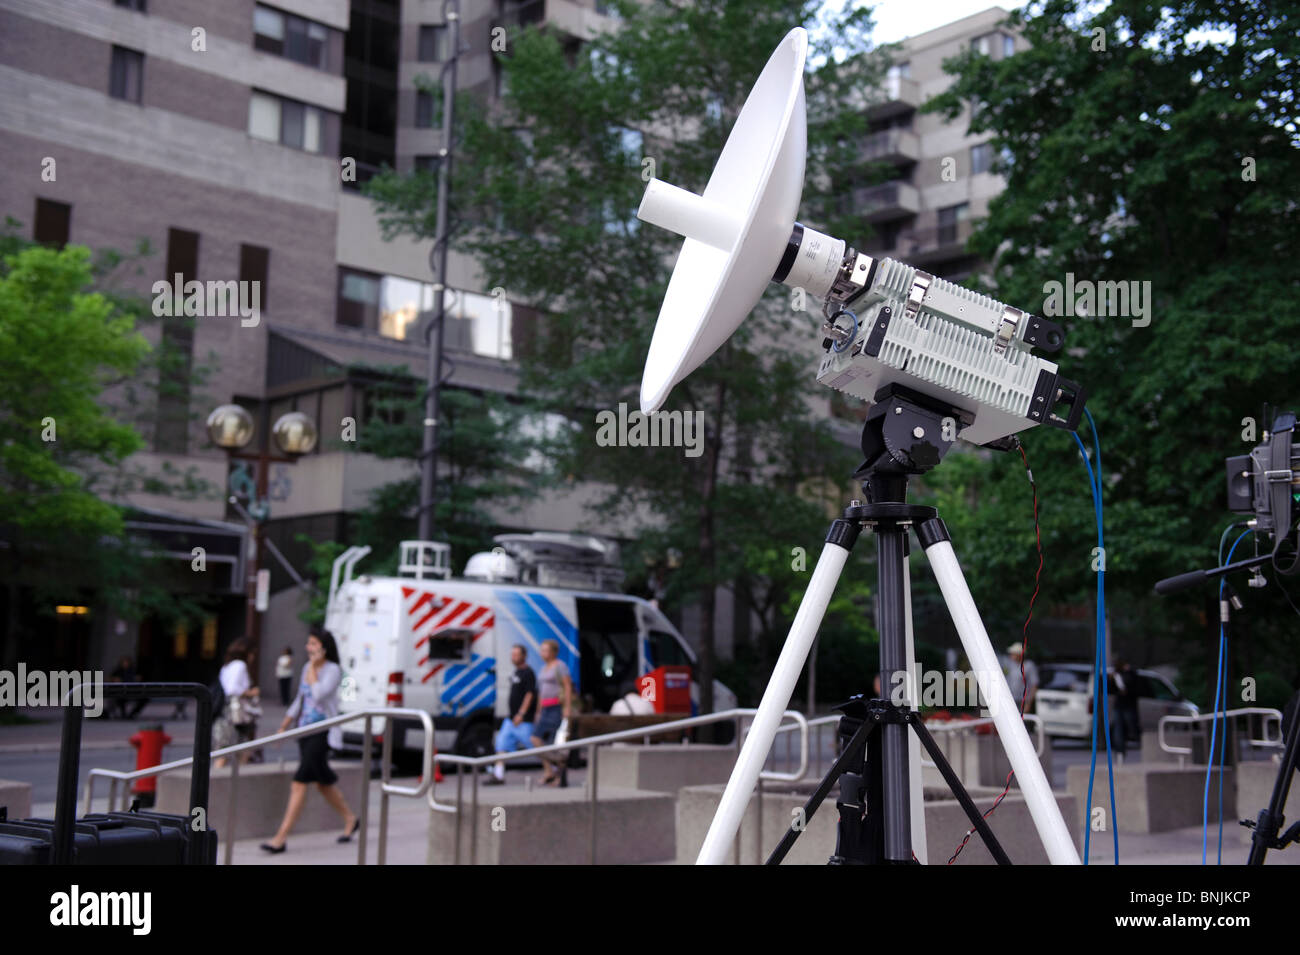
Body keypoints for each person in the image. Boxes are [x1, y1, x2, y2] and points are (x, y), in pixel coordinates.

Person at [260, 627, 358, 854]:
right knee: (323, 784)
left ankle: (280, 838)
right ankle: (351, 819)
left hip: (322, 732)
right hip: (304, 731)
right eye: (309, 644)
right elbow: (300, 699)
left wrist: (314, 669)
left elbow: (318, 694)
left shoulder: (333, 670)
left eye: (313, 644)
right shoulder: (306, 667)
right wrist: (283, 727)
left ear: (324, 648)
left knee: (299, 782)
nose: (309, 648)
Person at [485, 645, 536, 785]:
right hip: (511, 719)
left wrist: (521, 713)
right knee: (501, 744)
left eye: (516, 654)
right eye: (512, 654)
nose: (513, 657)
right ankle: (498, 775)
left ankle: (554, 768)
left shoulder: (528, 672)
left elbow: (530, 694)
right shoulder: (516, 672)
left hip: (523, 720)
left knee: (535, 747)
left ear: (524, 656)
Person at [530, 639, 573, 786]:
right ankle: (550, 769)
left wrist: (567, 707)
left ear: (554, 652)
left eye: (546, 650)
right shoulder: (543, 668)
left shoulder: (560, 666)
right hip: (545, 708)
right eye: (542, 650)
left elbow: (567, 686)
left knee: (552, 741)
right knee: (538, 739)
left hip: (556, 707)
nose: (543, 653)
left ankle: (557, 774)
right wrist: (538, 710)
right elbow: (541, 692)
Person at [212, 639, 260, 768]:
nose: (253, 657)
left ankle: (218, 783)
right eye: (252, 653)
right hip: (234, 718)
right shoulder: (240, 665)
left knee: (226, 752)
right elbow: (232, 689)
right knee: (236, 752)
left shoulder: (228, 665)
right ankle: (222, 783)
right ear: (247, 652)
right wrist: (251, 693)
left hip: (225, 715)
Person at [1111, 661, 1142, 757]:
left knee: (1131, 725)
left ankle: (1136, 741)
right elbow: (1113, 689)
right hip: (1120, 705)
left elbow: (1132, 687)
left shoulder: (1130, 675)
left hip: (1128, 705)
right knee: (1118, 728)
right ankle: (1120, 749)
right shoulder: (1117, 675)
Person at [1003, 642, 1038, 714]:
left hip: (1022, 701)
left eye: (1013, 653)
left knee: (1022, 723)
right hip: (1009, 699)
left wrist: (1028, 703)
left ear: (1019, 655)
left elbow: (1034, 685)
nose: (1010, 655)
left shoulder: (1029, 666)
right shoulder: (1008, 664)